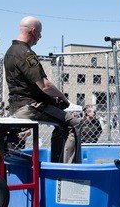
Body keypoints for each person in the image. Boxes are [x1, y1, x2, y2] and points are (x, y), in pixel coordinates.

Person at [5, 16, 82, 163]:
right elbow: (45, 85)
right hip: (30, 106)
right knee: (75, 123)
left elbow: (26, 85)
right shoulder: (25, 53)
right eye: (39, 33)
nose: (40, 37)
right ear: (33, 31)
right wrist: (64, 99)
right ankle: (69, 169)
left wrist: (53, 100)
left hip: (17, 105)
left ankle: (57, 161)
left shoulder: (10, 52)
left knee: (61, 126)